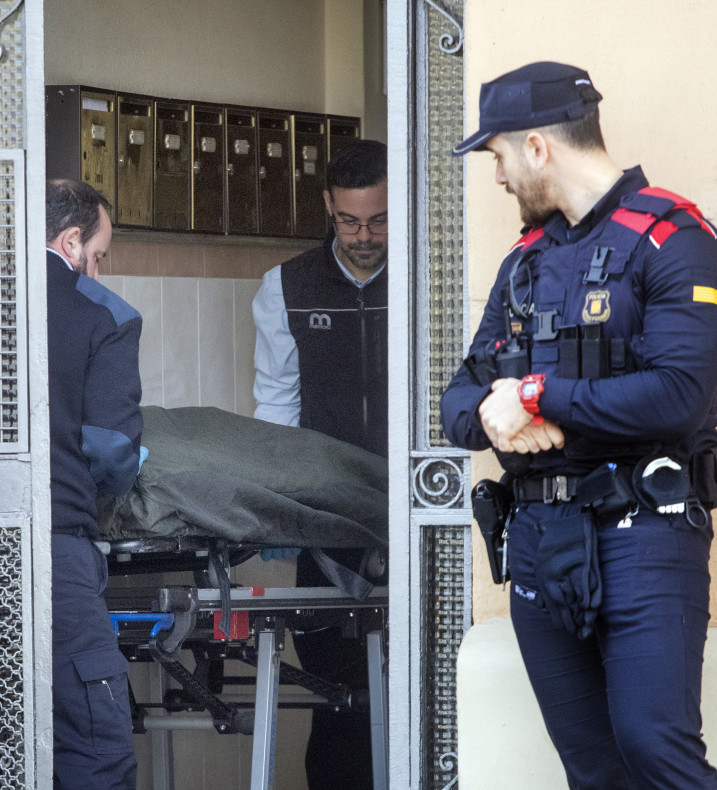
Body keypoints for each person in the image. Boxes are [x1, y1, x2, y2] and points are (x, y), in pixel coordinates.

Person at [442, 61, 717, 789]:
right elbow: (458, 400)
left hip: (644, 536)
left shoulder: (673, 237)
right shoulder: (525, 261)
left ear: (536, 148)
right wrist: (495, 416)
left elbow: (678, 397)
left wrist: (533, 395)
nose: (495, 175)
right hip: (536, 542)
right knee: (593, 769)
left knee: (654, 748)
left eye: (496, 155)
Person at [252, 139, 388, 789]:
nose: (363, 237)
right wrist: (279, 506)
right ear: (327, 206)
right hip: (326, 520)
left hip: (407, 515)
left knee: (418, 697)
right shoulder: (286, 285)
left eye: (379, 220)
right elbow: (276, 403)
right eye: (349, 221)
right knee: (337, 702)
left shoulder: (430, 279)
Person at [45, 179, 142, 790]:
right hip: (58, 555)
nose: (98, 271)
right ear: (72, 240)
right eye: (99, 255)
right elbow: (110, 454)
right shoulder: (103, 313)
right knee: (94, 745)